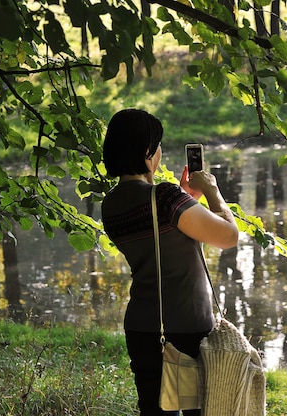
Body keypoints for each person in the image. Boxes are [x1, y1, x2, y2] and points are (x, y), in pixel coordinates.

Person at [101, 109, 239, 415]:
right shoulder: (164, 197)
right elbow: (228, 236)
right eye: (158, 145)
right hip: (186, 325)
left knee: (153, 410)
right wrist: (212, 192)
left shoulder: (110, 203)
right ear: (149, 152)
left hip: (141, 327)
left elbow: (163, 239)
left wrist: (187, 199)